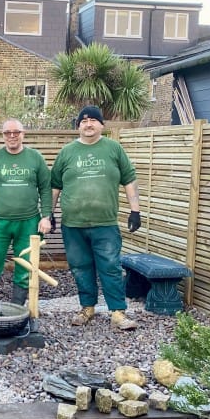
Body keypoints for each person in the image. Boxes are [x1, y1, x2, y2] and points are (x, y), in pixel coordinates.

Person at [51, 105, 142, 330]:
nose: (88, 124)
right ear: (78, 126)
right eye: (83, 121)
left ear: (102, 125)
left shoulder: (113, 149)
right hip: (73, 224)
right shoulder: (67, 152)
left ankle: (118, 313)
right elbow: (55, 185)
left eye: (93, 120)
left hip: (105, 223)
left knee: (110, 266)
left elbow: (129, 179)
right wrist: (49, 213)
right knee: (80, 267)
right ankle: (87, 308)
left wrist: (135, 210)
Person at [0, 118, 52, 305]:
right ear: (2, 136)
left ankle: (18, 309)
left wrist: (46, 216)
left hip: (29, 223)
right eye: (7, 133)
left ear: (23, 134)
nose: (12, 136)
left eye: (16, 132)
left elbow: (46, 188)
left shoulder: (35, 158)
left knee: (26, 267)